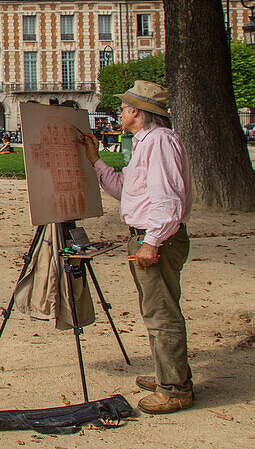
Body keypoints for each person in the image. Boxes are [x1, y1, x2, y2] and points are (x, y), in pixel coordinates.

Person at [77, 80, 194, 415]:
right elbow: (126, 189)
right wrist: (95, 159)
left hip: (156, 237)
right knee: (155, 311)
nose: (121, 111)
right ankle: (167, 376)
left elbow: (168, 200)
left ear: (138, 113)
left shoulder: (158, 143)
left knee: (161, 313)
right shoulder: (146, 142)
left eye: (126, 107)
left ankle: (175, 390)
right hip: (148, 235)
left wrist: (151, 241)